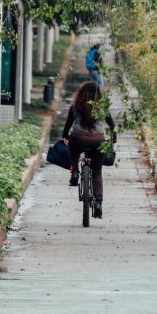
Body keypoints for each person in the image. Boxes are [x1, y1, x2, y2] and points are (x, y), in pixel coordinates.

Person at [62, 81, 116, 219]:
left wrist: (65, 136)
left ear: (81, 93)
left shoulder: (76, 105)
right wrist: (113, 138)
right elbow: (112, 125)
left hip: (78, 138)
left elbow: (68, 125)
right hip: (97, 140)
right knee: (97, 172)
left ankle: (75, 173)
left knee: (73, 151)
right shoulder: (101, 107)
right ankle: (98, 203)